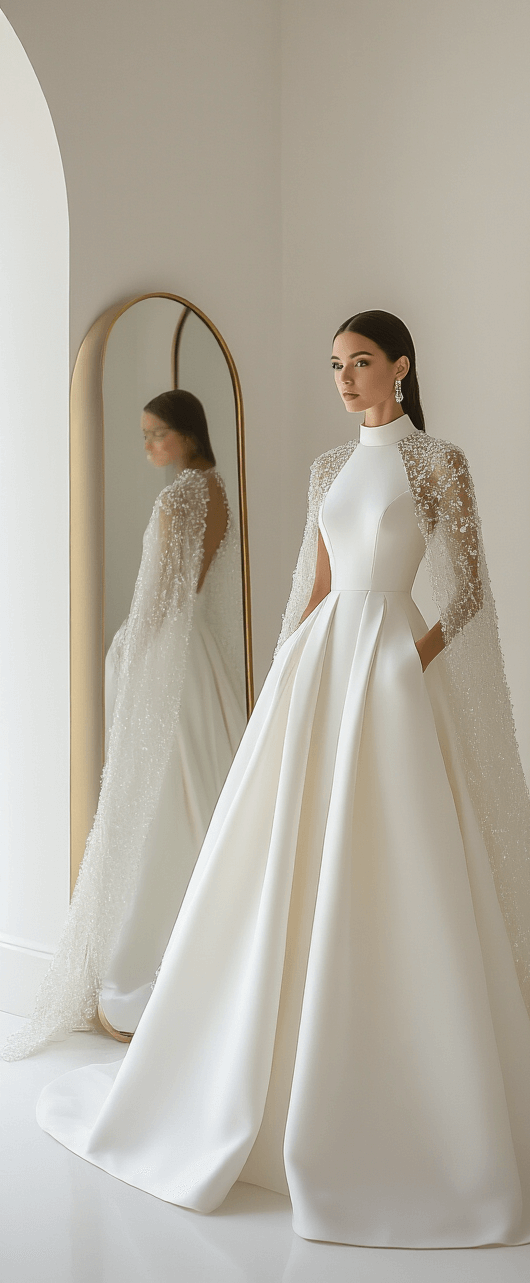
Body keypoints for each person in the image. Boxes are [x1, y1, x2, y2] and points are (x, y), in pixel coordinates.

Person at [30, 323, 530, 1247]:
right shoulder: (329, 469)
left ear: (401, 367)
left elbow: (470, 591)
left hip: (397, 672)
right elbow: (320, 585)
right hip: (319, 672)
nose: (346, 378)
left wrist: (414, 657)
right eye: (336, 365)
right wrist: (288, 674)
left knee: (410, 857)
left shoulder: (439, 462)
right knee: (283, 862)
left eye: (360, 362)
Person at [4, 391, 246, 1054]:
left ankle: (150, 956)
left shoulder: (176, 500)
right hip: (201, 658)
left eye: (156, 433)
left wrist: (128, 650)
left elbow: (163, 594)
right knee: (203, 788)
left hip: (168, 651)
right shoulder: (218, 491)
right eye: (143, 435)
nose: (148, 447)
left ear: (186, 433)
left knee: (161, 799)